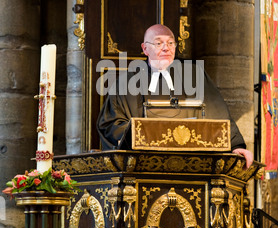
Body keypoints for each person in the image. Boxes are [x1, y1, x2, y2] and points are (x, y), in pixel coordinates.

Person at [97, 24, 253, 168]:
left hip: (194, 164)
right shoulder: (127, 82)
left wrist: (236, 146)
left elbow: (219, 116)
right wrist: (143, 134)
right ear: (145, 49)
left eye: (170, 43)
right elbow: (110, 123)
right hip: (144, 165)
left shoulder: (194, 75)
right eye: (159, 43)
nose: (166, 48)